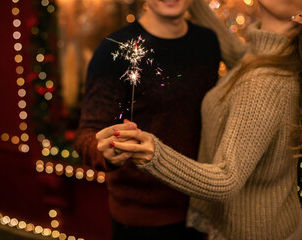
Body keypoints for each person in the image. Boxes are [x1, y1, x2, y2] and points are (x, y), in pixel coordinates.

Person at [108, 0, 302, 239]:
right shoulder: (266, 55)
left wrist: (152, 152)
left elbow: (226, 179)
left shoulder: (265, 82)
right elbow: (233, 50)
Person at [73, 0, 228, 239]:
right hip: (141, 218)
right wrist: (105, 150)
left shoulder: (207, 42)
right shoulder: (115, 49)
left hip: (202, 205)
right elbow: (87, 135)